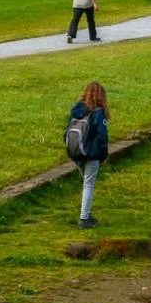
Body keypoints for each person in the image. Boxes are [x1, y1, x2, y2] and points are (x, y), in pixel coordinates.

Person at [66, 80, 111, 228]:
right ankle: (84, 218)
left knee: (86, 182)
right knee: (89, 184)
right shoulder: (99, 113)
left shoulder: (76, 110)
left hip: (76, 152)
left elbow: (67, 131)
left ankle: (86, 214)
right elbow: (102, 136)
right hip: (91, 153)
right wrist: (103, 155)